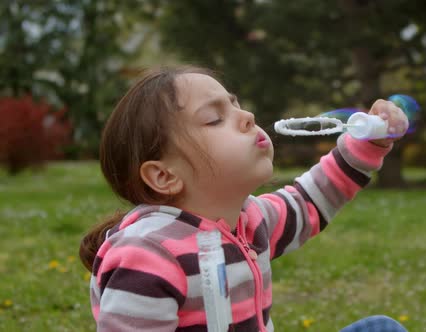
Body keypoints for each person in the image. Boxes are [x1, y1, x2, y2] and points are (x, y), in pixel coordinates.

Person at [79, 66, 409, 332]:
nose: (247, 116)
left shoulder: (251, 219)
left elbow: (314, 198)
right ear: (164, 176)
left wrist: (367, 144)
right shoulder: (147, 257)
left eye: (236, 104)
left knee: (382, 329)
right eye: (214, 118)